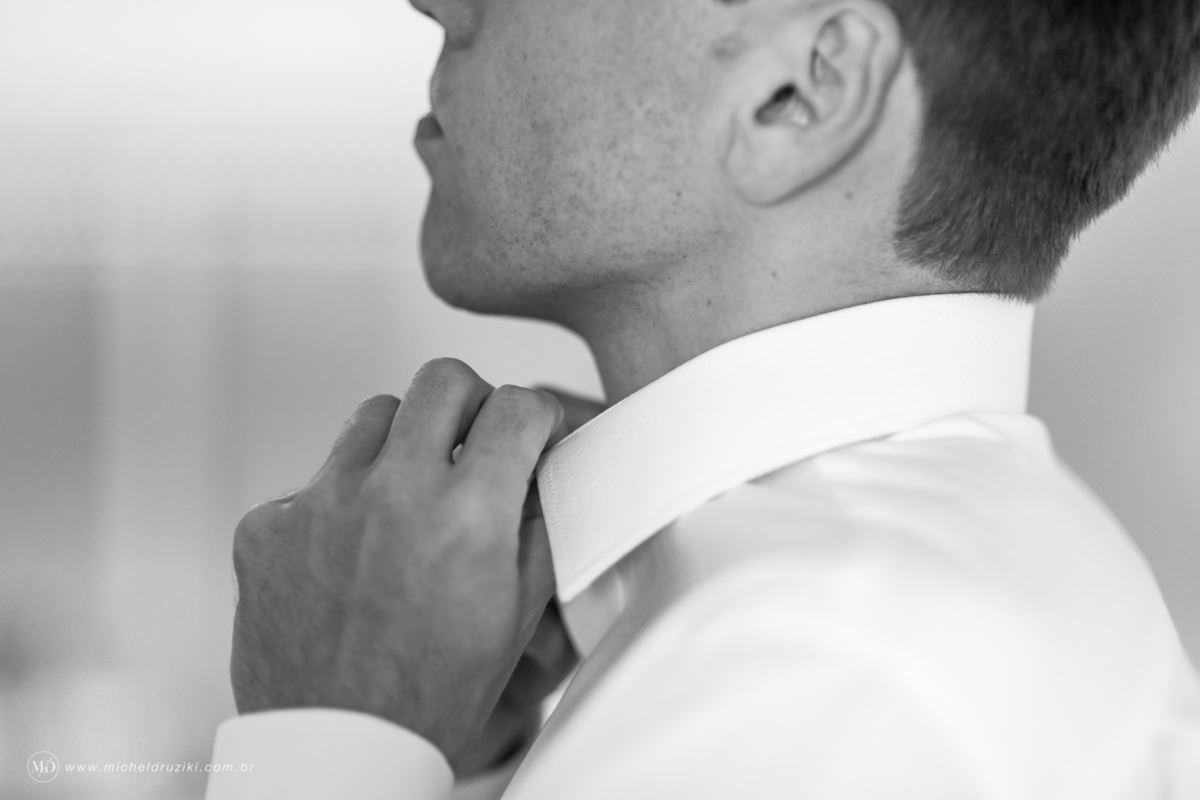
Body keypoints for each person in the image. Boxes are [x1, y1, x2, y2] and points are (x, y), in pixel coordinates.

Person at [205, 0, 1200, 797]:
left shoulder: (822, 663)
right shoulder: (884, 622)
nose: (432, 4)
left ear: (799, 92)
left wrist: (332, 739)